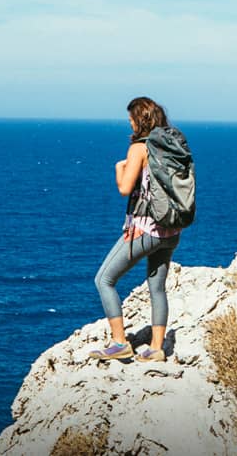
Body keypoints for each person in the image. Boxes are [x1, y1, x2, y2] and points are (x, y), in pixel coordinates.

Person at [87, 97, 183, 362]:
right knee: (158, 288)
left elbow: (125, 189)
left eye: (131, 119)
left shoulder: (139, 148)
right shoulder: (172, 145)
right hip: (172, 229)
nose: (128, 123)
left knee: (104, 280)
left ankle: (120, 343)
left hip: (145, 229)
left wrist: (120, 169)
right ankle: (156, 349)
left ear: (139, 120)